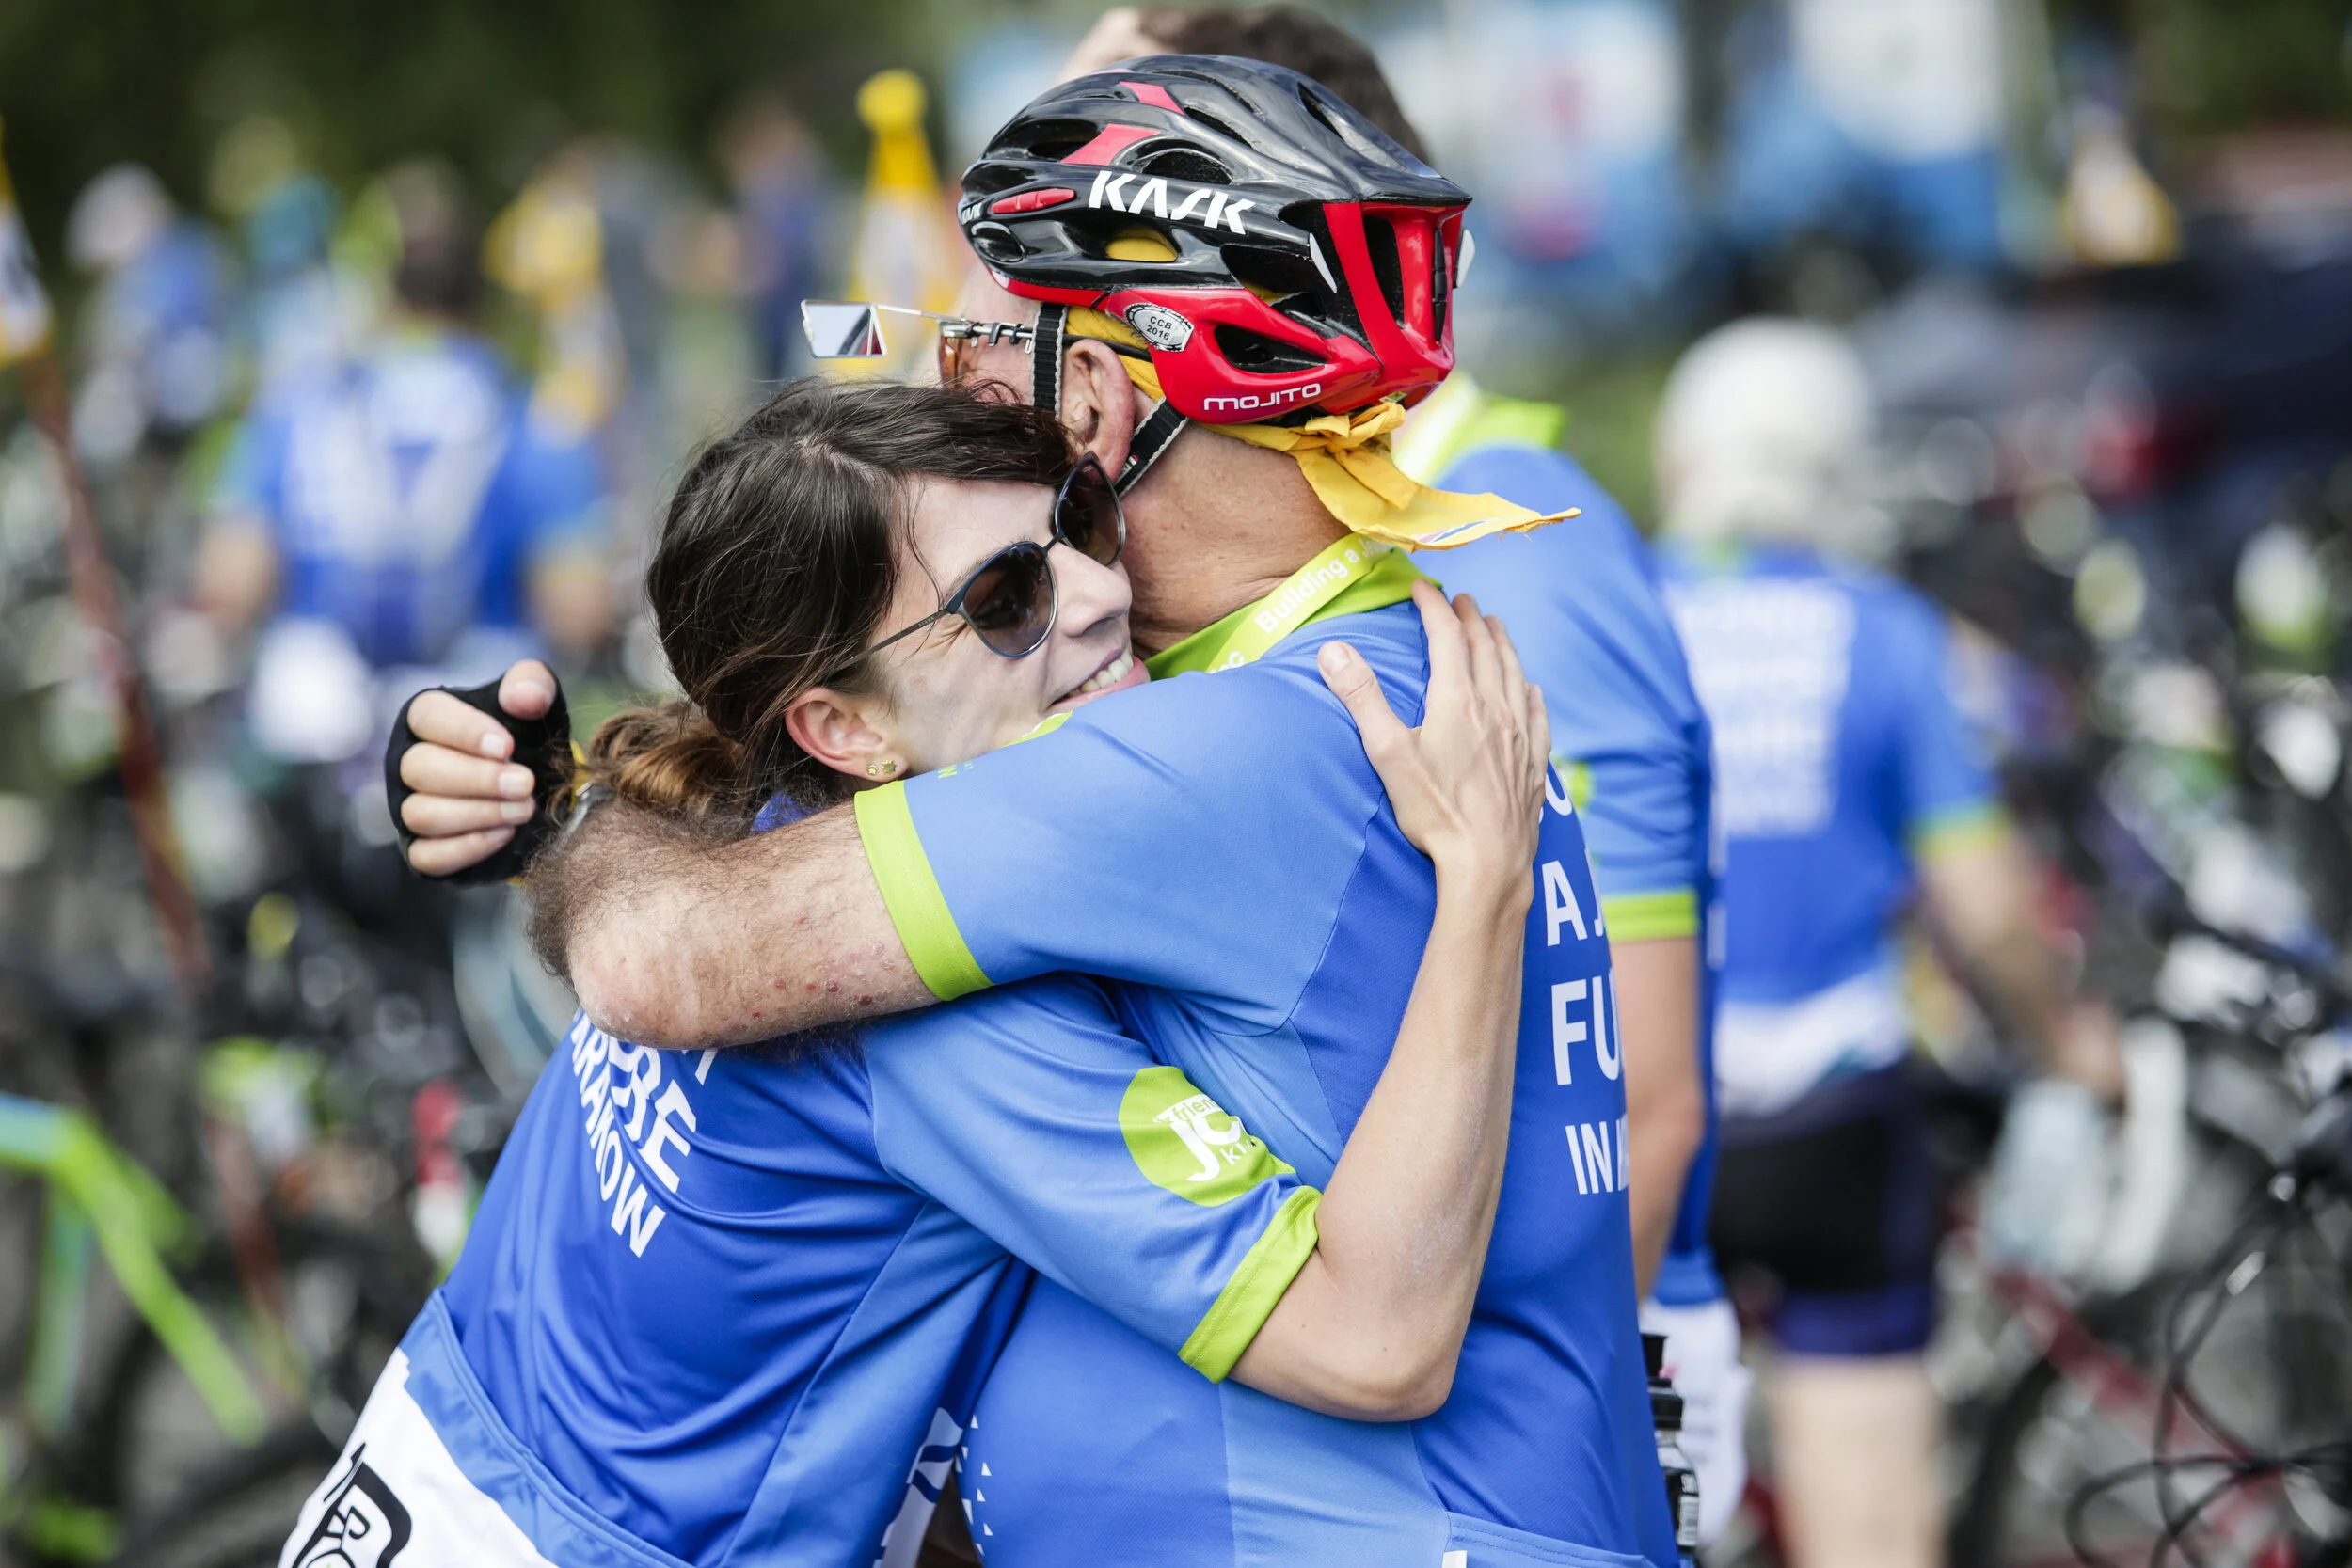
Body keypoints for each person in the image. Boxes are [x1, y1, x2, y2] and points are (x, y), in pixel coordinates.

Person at [392, 53, 1676, 1568]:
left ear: (1100, 394)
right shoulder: (1361, 666)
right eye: (1005, 594)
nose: (959, 373)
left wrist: (566, 816)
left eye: (995, 335)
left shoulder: (1196, 754)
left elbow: (669, 951)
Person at [282, 375, 1549, 1567]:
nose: (1098, 594)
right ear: (844, 726)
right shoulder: (937, 1021)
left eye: (1081, 516)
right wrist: (1486, 876)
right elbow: (1374, 1340)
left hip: (400, 1474)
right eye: (1003, 600)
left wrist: (547, 811)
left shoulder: (731, 825)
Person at [1650, 318, 2119, 1568]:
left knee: (1629, 1518)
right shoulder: (1887, 629)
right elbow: (1986, 904)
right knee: (1869, 1530)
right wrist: (2061, 1042)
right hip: (1836, 1114)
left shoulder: (1616, 618)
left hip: (1645, 1125)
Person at [192, 165, 612, 765]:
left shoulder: (303, 403)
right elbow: (577, 607)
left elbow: (232, 579)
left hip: (315, 724)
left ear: (387, 296)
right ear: (485, 298)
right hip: (477, 733)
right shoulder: (535, 415)